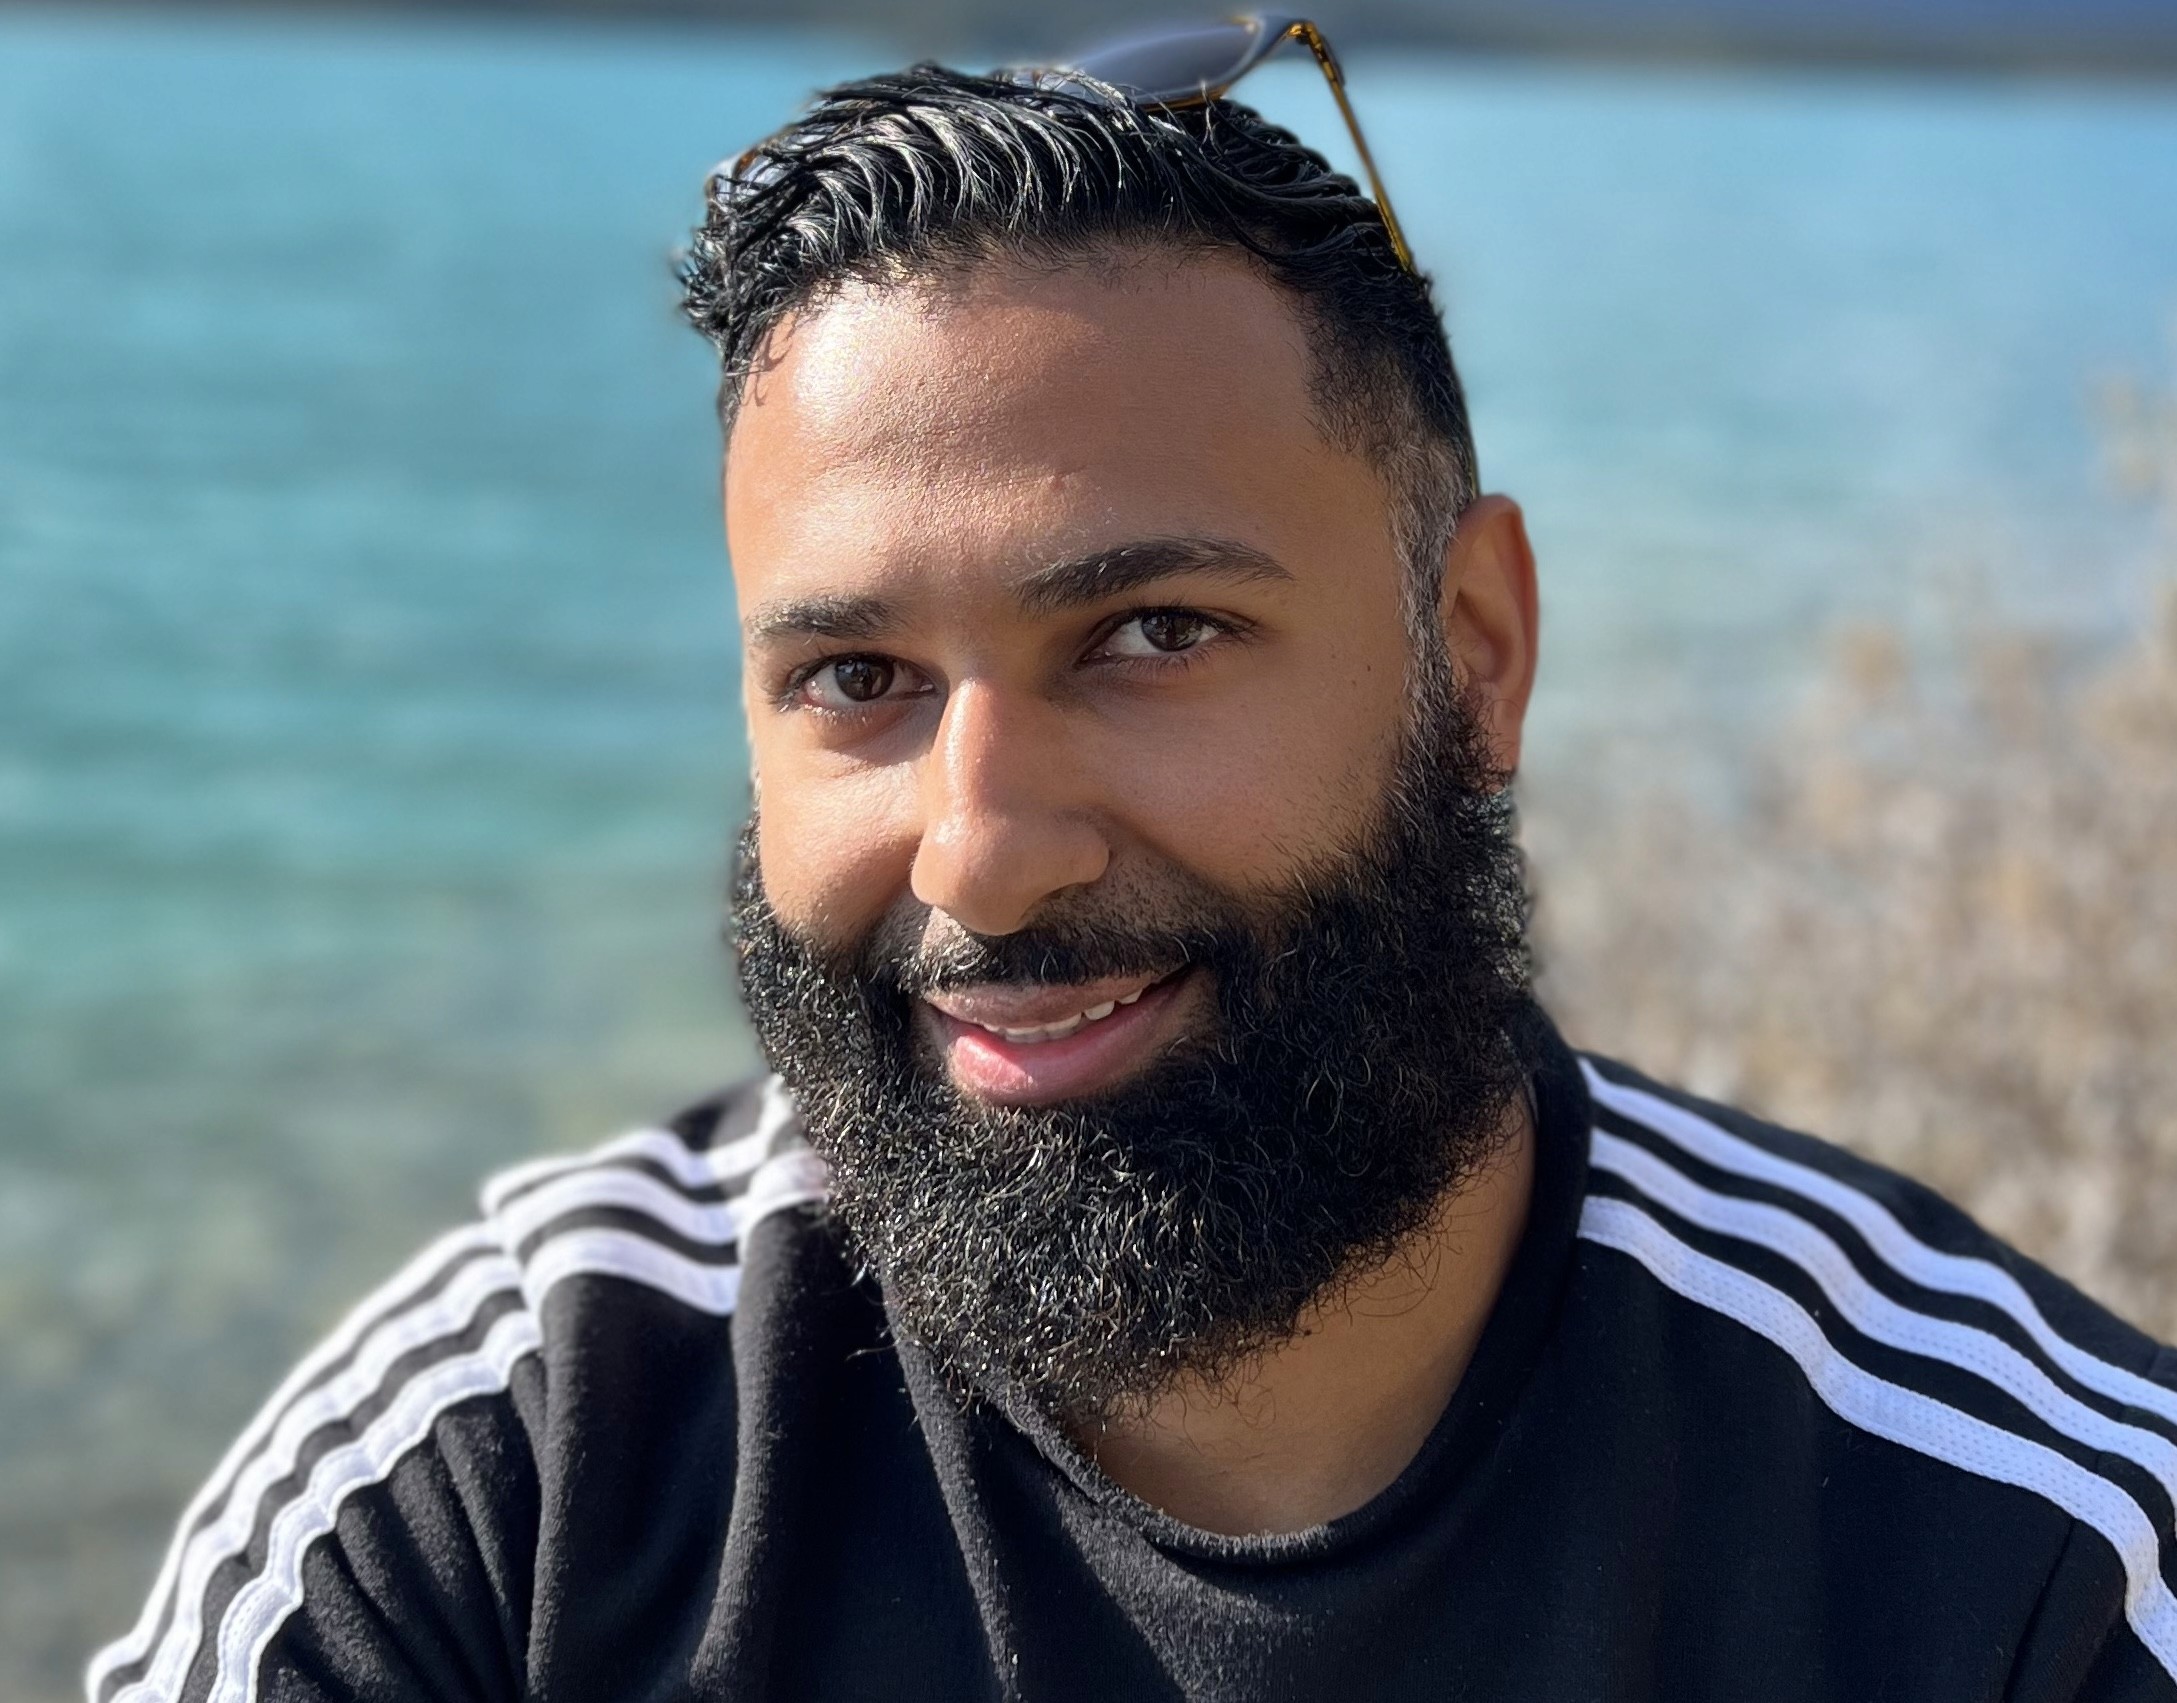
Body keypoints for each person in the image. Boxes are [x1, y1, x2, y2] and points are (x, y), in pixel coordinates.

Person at [90, 47, 2177, 1703]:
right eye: (855, 679)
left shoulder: (2021, 1558)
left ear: (1477, 656)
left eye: (1153, 633)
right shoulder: (509, 1492)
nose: (983, 857)